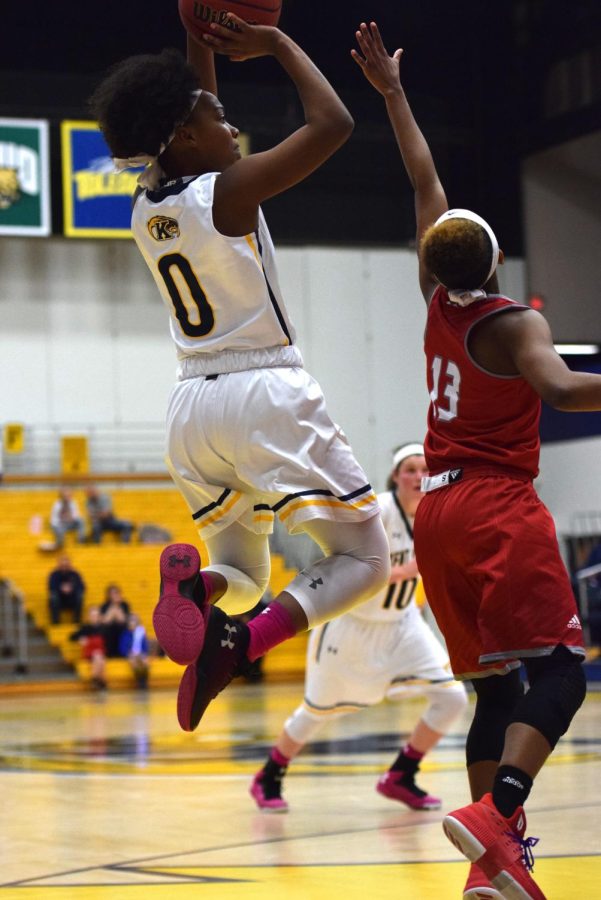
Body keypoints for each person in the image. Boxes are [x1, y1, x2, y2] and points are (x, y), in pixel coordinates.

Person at [351, 22, 601, 900]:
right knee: (565, 670)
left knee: (494, 691)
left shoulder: (435, 300)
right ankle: (500, 812)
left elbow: (423, 178)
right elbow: (565, 392)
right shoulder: (512, 321)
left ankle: (490, 872)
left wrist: (391, 93)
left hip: (440, 512)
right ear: (496, 259)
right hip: (494, 499)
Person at [89, 16, 390, 734]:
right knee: (367, 560)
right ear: (185, 137)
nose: (231, 123)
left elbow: (189, 104)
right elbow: (334, 122)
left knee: (244, 580)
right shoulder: (228, 191)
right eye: (216, 116)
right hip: (265, 390)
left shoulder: (147, 206)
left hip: (192, 407)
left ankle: (200, 591)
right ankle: (240, 645)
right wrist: (281, 43)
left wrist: (202, 29)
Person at [251, 443, 468, 812]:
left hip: (402, 624)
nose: (418, 476)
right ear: (395, 477)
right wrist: (407, 570)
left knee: (453, 698)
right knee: (316, 712)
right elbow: (345, 567)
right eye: (409, 469)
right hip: (351, 624)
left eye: (423, 469)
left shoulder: (437, 514)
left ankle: (401, 775)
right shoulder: (377, 511)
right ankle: (270, 774)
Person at [69, 605, 107, 690]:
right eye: (92, 615)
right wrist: (80, 639)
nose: (94, 617)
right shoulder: (85, 627)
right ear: (89, 616)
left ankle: (97, 681)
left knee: (100, 659)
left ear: (99, 617)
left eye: (95, 615)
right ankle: (101, 682)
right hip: (89, 651)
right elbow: (71, 637)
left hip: (100, 652)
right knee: (99, 658)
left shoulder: (104, 627)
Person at [48, 554, 85, 624]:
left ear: (69, 564)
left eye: (66, 563)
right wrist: (61, 589)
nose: (64, 565)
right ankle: (55, 622)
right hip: (59, 600)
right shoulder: (54, 574)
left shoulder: (75, 574)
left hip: (72, 599)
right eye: (62, 563)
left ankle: (76, 621)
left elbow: (82, 587)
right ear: (59, 564)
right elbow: (51, 587)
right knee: (53, 596)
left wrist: (72, 588)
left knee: (80, 596)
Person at [119, 613, 151, 689]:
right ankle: (139, 681)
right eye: (131, 622)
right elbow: (122, 648)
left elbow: (145, 647)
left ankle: (144, 680)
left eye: (134, 622)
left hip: (140, 653)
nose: (132, 624)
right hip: (130, 654)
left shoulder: (141, 633)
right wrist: (129, 653)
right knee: (134, 662)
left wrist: (141, 653)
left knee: (145, 661)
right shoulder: (125, 634)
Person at [99, 584, 131, 658]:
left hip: (121, 628)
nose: (114, 595)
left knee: (122, 630)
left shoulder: (124, 605)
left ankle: (121, 653)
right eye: (112, 593)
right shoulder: (104, 606)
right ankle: (110, 654)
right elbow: (106, 621)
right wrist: (113, 608)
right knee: (108, 631)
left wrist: (117, 607)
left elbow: (123, 620)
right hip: (109, 629)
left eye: (116, 593)